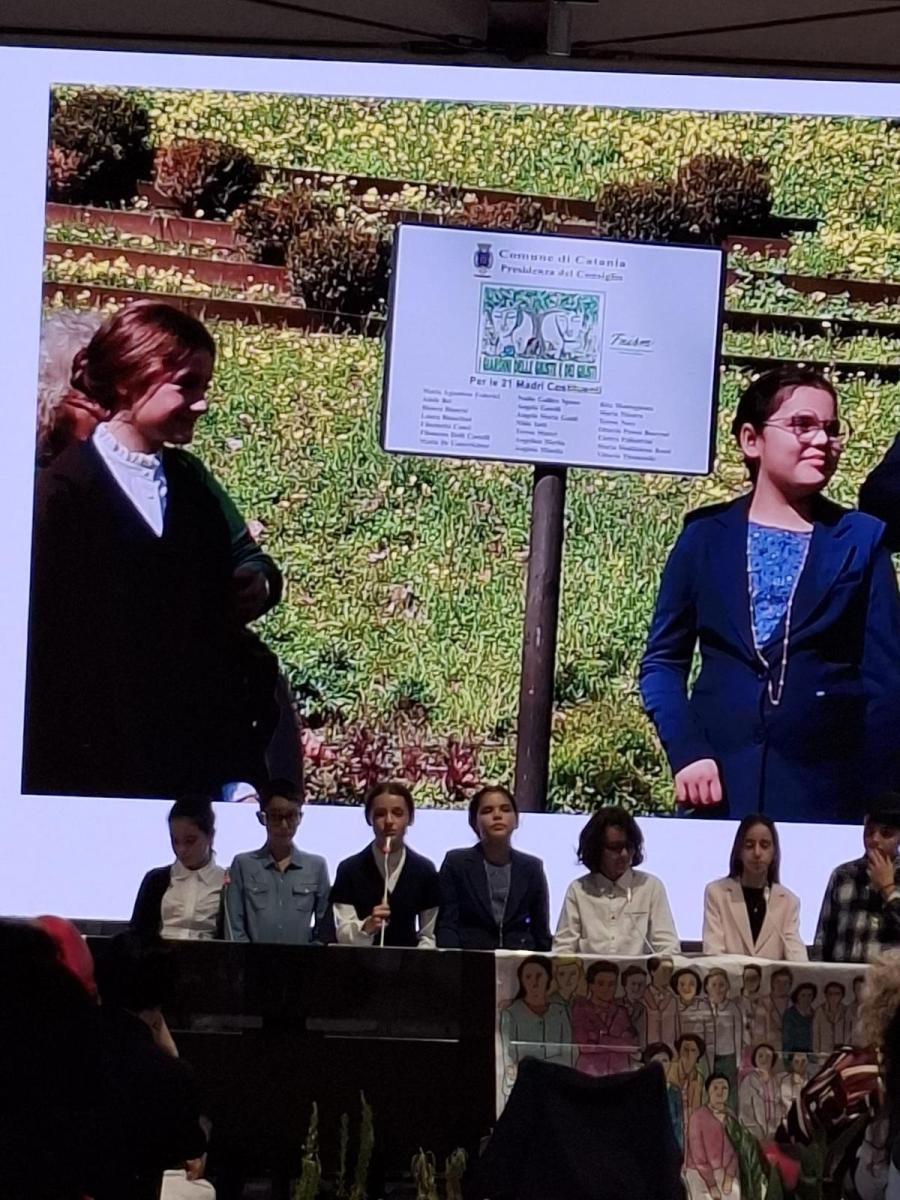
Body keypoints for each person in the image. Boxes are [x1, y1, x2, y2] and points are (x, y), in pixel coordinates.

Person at [25, 301, 283, 798]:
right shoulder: (61, 495)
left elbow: (213, 651)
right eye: (186, 385)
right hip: (86, 771)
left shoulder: (192, 496)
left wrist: (233, 771)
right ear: (130, 380)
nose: (201, 404)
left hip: (183, 771)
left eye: (204, 388)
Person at [640, 365, 900, 822]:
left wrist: (881, 804)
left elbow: (885, 685)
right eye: (802, 425)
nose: (821, 440)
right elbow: (662, 662)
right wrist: (687, 749)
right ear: (751, 440)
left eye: (831, 429)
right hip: (719, 791)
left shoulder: (861, 542)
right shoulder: (704, 538)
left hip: (824, 795)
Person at [552, 806, 680, 956]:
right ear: (596, 849)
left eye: (629, 847)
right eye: (615, 848)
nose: (624, 854)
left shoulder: (650, 886)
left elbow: (669, 948)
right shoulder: (578, 890)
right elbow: (562, 950)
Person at [436, 785, 551, 950]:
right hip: (470, 956)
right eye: (487, 811)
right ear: (474, 822)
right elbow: (447, 924)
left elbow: (541, 930)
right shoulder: (456, 863)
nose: (497, 816)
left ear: (516, 820)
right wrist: (451, 960)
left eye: (505, 809)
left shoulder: (532, 868)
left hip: (519, 960)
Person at [328, 781, 441, 948]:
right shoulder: (349, 870)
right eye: (380, 814)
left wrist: (417, 959)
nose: (389, 821)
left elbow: (429, 935)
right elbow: (342, 933)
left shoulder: (424, 871)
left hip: (409, 962)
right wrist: (367, 927)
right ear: (369, 819)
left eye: (397, 813)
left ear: (410, 818)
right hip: (359, 962)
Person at [224, 778, 330, 944]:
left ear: (300, 817)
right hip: (252, 959)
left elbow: (324, 928)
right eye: (275, 816)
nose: (284, 825)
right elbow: (234, 927)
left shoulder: (317, 866)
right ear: (262, 818)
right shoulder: (242, 864)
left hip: (301, 959)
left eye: (291, 816)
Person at [702, 814, 808, 960]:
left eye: (764, 845)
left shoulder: (789, 902)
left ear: (774, 852)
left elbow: (797, 956)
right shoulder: (717, 893)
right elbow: (713, 953)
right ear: (739, 851)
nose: (757, 853)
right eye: (749, 845)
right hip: (729, 975)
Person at [813, 793, 900, 962]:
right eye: (869, 832)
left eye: (886, 833)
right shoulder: (843, 875)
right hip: (842, 976)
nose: (874, 840)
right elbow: (823, 940)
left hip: (889, 978)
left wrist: (888, 888)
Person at [130, 795, 225, 941]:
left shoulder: (226, 882)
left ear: (210, 836)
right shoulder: (156, 879)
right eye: (175, 841)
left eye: (190, 841)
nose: (181, 849)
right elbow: (136, 933)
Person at [500, 954, 575, 1073]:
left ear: (548, 978)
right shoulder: (511, 1014)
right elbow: (508, 1057)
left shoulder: (561, 1011)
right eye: (528, 977)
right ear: (522, 980)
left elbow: (568, 1054)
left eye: (539, 976)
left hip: (557, 1078)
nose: (534, 982)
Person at [571, 960, 639, 1078]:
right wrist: (618, 1043)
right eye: (601, 983)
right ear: (591, 985)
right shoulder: (581, 1010)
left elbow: (631, 1045)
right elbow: (584, 1046)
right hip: (588, 1075)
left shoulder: (621, 1012)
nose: (606, 989)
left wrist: (599, 1039)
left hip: (619, 1076)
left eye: (611, 984)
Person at [685, 1075, 738, 1200]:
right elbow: (698, 1156)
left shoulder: (731, 1116)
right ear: (708, 1091)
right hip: (699, 1172)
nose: (720, 1092)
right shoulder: (697, 1117)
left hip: (725, 1171)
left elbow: (737, 1148)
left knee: (733, 1194)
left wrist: (729, 1175)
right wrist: (712, 1185)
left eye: (724, 1088)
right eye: (715, 1088)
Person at [700, 968, 744, 1093]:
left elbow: (738, 1036)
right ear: (707, 987)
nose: (717, 989)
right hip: (706, 1056)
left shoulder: (733, 1009)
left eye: (721, 985)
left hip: (727, 1058)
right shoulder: (702, 1007)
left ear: (727, 987)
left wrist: (738, 1062)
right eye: (713, 985)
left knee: (728, 1089)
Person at [738, 1043, 780, 1140]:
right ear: (754, 1059)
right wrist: (757, 1135)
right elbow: (745, 1111)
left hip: (776, 1136)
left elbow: (781, 1107)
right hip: (754, 1136)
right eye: (760, 1056)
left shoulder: (777, 1081)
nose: (764, 1059)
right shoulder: (749, 1080)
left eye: (768, 1056)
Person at [644, 954, 678, 1047]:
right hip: (647, 1049)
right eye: (664, 970)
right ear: (652, 972)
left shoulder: (673, 999)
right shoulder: (642, 997)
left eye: (670, 971)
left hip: (669, 1050)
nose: (668, 974)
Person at [813, 981, 852, 1055]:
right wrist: (817, 1053)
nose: (833, 997)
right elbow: (815, 1035)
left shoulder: (846, 1011)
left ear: (842, 996)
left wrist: (846, 1052)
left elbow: (848, 1034)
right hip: (823, 1052)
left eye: (837, 994)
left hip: (841, 1053)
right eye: (830, 994)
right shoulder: (819, 1011)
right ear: (826, 995)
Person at [672, 967, 707, 1040]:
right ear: (676, 986)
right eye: (682, 984)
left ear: (697, 986)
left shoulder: (704, 1006)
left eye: (691, 984)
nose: (687, 988)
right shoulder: (672, 1005)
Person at [783, 982, 817, 1056]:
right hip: (794, 1053)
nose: (806, 998)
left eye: (810, 995)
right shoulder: (790, 1014)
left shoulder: (815, 1014)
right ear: (797, 996)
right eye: (803, 995)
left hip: (811, 1053)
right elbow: (787, 1039)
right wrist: (787, 1057)